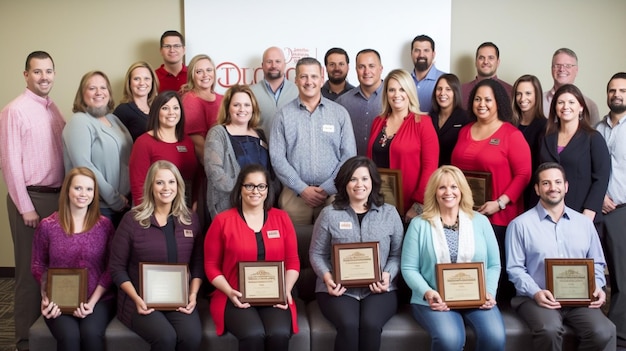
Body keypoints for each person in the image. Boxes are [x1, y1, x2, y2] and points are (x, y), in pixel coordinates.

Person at [506, 162, 616, 351]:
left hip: (579, 299)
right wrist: (536, 292)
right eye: (546, 183)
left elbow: (597, 262)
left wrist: (597, 286)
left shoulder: (584, 224)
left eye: (557, 182)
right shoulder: (519, 225)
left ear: (566, 187)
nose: (552, 188)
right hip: (536, 298)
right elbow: (515, 269)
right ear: (537, 189)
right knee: (549, 330)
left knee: (603, 331)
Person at [0, 50, 66, 351]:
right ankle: (23, 340)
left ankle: (46, 335)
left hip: (56, 198)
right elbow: (10, 162)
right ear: (26, 75)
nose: (44, 77)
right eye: (37, 72)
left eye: (49, 71)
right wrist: (25, 206)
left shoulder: (54, 110)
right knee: (29, 272)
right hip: (31, 199)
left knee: (53, 270)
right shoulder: (15, 110)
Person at [401, 165, 505, 351]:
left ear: (462, 190)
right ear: (434, 192)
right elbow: (409, 268)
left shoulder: (480, 222)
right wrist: (427, 292)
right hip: (433, 299)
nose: (448, 192)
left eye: (454, 187)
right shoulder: (419, 224)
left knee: (495, 337)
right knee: (449, 340)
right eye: (442, 187)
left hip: (477, 298)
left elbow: (494, 265)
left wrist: (488, 292)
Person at [309, 156, 403, 351]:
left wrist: (388, 275)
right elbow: (317, 253)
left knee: (370, 325)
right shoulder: (329, 214)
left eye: (364, 179)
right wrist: (328, 277)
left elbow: (397, 254)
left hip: (379, 289)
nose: (359, 184)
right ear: (344, 183)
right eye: (353, 179)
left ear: (373, 182)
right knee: (349, 325)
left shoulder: (390, 213)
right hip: (337, 288)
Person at [451, 78, 531, 303]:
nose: (482, 104)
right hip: (467, 214)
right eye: (477, 99)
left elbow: (523, 175)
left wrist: (500, 202)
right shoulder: (465, 131)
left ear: (499, 103)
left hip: (499, 215)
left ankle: (499, 312)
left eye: (488, 99)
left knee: (495, 267)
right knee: (470, 264)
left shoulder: (511, 134)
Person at [204, 164, 300, 351]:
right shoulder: (222, 221)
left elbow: (293, 261)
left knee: (279, 333)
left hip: (275, 295)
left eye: (261, 186)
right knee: (253, 334)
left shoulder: (282, 219)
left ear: (267, 189)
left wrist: (286, 290)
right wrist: (230, 291)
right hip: (234, 295)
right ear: (240, 188)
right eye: (249, 186)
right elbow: (210, 265)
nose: (255, 191)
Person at [109, 161, 203, 351]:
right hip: (140, 299)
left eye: (171, 182)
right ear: (150, 186)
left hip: (179, 298)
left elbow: (198, 264)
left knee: (191, 337)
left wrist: (192, 295)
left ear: (179, 186)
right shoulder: (132, 220)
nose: (166, 188)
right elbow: (116, 268)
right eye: (160, 182)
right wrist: (136, 298)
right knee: (165, 338)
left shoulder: (190, 219)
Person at [31, 167, 115, 351]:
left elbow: (111, 268)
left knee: (91, 334)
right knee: (70, 338)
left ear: (94, 193)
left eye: (89, 189)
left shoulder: (104, 225)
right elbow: (38, 265)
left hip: (97, 299)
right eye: (78, 188)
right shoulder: (48, 226)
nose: (83, 194)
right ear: (67, 190)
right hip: (59, 300)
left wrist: (91, 303)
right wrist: (46, 297)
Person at [270, 57, 356, 225]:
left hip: (334, 194)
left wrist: (328, 188)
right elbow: (277, 157)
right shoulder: (283, 115)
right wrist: (302, 188)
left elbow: (349, 155)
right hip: (294, 196)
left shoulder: (339, 113)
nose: (309, 82)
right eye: (303, 77)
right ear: (295, 80)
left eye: (314, 76)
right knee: (294, 246)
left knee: (333, 245)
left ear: (321, 79)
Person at [367, 68, 439, 221]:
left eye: (402, 89)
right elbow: (369, 162)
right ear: (386, 94)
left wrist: (418, 204)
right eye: (391, 90)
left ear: (409, 92)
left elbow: (430, 167)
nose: (396, 94)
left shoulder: (423, 123)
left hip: (409, 207)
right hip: (377, 202)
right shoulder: (378, 122)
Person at [62, 70, 132, 227]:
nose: (99, 92)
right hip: (98, 208)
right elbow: (84, 165)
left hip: (123, 206)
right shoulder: (79, 122)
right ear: (82, 93)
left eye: (103, 87)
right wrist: (114, 199)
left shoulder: (113, 120)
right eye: (92, 88)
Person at [539, 84, 610, 223]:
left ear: (581, 107)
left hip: (583, 214)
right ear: (555, 107)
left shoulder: (593, 138)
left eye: (571, 102)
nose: (566, 106)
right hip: (548, 213)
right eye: (561, 102)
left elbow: (601, 178)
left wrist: (589, 211)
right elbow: (539, 174)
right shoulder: (545, 136)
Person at [204, 85, 272, 218]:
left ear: (253, 108)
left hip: (260, 204)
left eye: (247, 105)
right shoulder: (218, 133)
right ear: (228, 108)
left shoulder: (260, 134)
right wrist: (246, 193)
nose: (242, 109)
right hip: (229, 205)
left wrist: (260, 195)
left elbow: (269, 171)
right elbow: (214, 171)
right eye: (236, 105)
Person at [596, 72, 626, 347]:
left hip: (622, 211)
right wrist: (600, 197)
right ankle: (596, 334)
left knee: (621, 280)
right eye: (612, 90)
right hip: (597, 210)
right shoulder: (598, 128)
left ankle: (619, 341)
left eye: (622, 90)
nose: (616, 94)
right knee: (593, 276)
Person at [129, 90, 198, 206]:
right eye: (165, 108)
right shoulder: (143, 142)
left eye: (176, 108)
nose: (171, 112)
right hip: (154, 207)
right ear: (156, 112)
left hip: (185, 206)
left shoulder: (187, 142)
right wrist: (146, 214)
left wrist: (195, 202)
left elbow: (194, 178)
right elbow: (138, 184)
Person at [336, 49, 384, 156]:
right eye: (361, 67)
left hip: (386, 169)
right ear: (356, 69)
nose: (366, 72)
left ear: (380, 69)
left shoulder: (395, 98)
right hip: (353, 167)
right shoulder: (342, 102)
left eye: (371, 66)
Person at [511, 74, 547, 209]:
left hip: (532, 192)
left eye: (528, 93)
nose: (522, 99)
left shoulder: (545, 127)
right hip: (510, 190)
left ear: (537, 96)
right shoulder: (509, 124)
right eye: (518, 94)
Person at [180, 54, 224, 162]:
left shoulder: (223, 99)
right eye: (199, 71)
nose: (205, 75)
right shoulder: (190, 100)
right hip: (210, 165)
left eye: (209, 70)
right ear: (192, 76)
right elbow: (198, 144)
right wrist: (216, 168)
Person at [543, 48, 600, 125]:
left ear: (576, 70)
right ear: (551, 69)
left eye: (568, 66)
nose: (562, 69)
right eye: (557, 65)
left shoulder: (590, 106)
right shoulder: (538, 101)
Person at [250, 46, 299, 134]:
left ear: (284, 64)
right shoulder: (250, 93)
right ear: (262, 65)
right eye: (269, 62)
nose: (273, 65)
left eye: (278, 61)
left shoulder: (297, 91)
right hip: (260, 147)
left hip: (292, 147)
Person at [428, 73, 469, 166]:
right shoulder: (429, 117)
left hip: (453, 173)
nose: (442, 93)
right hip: (431, 172)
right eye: (439, 89)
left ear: (455, 92)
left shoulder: (465, 119)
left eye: (448, 89)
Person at [114, 61, 159, 141]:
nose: (142, 83)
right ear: (129, 83)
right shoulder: (122, 110)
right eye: (136, 79)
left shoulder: (158, 108)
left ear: (152, 81)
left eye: (146, 78)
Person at [461, 42, 513, 107]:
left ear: (498, 62)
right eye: (481, 58)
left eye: (491, 58)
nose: (485, 62)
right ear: (476, 62)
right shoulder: (461, 91)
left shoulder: (510, 91)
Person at [410, 34, 445, 112]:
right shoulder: (403, 81)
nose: (421, 55)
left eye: (426, 50)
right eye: (417, 50)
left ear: (433, 54)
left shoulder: (445, 80)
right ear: (411, 54)